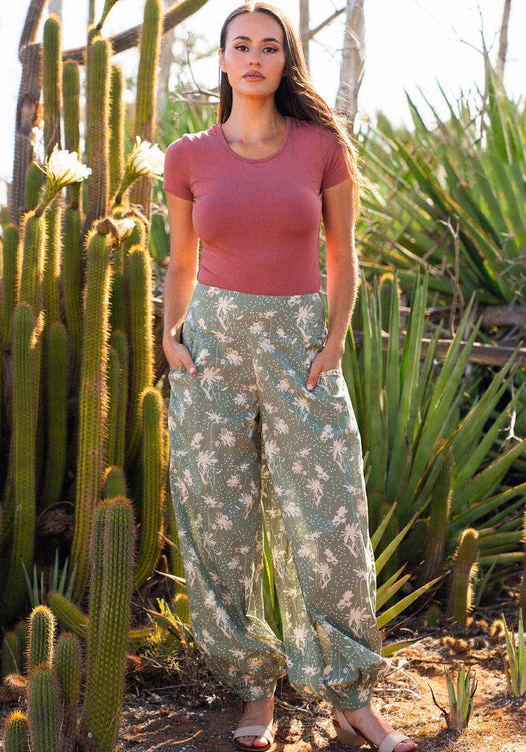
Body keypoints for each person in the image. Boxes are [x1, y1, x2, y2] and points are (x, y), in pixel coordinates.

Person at [162, 3, 418, 751]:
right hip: (211, 351)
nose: (253, 57)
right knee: (217, 523)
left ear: (284, 61)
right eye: (239, 45)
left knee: (329, 518)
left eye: (268, 47)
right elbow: (180, 261)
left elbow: (344, 256)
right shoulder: (187, 154)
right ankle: (252, 689)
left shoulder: (319, 146)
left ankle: (348, 695)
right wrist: (168, 338)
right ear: (219, 59)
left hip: (301, 346)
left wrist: (332, 344)